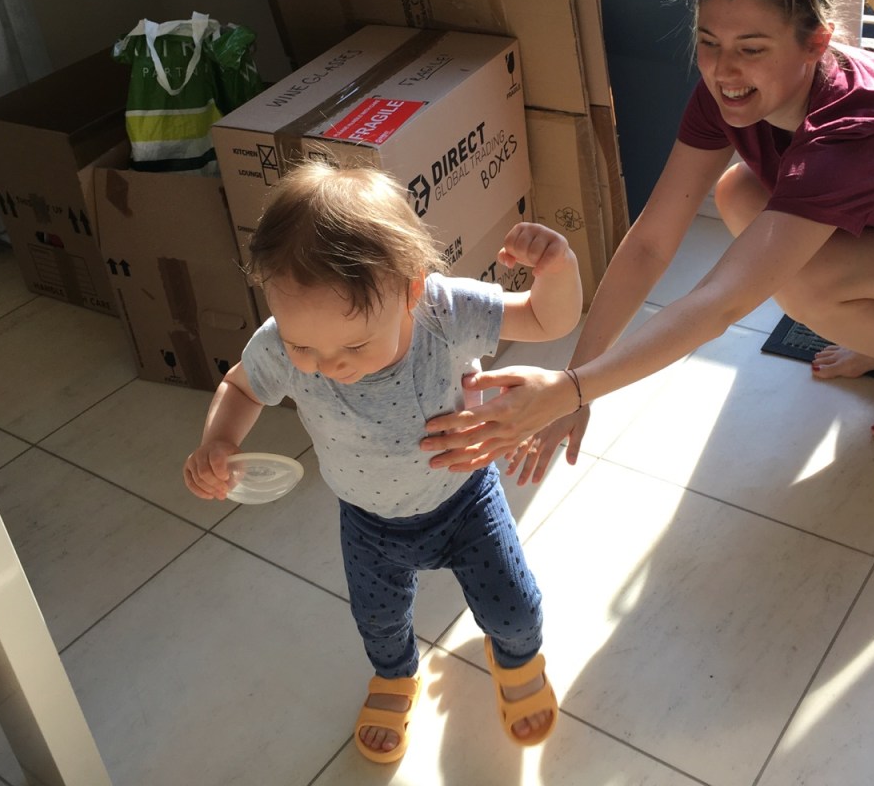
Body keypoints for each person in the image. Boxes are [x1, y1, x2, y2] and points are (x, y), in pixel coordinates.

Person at [420, 0, 874, 483]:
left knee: (810, 287)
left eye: (752, 48)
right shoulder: (731, 95)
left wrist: (573, 390)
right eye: (709, 42)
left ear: (816, 44)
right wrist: (576, 383)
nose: (723, 70)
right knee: (739, 193)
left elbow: (722, 302)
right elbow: (651, 242)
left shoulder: (850, 133)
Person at [183, 159, 581, 762]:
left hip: (464, 502)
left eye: (354, 344)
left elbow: (548, 317)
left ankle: (518, 657)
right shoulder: (284, 345)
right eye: (303, 345)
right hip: (368, 522)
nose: (329, 365)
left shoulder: (444, 313)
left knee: (515, 609)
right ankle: (395, 676)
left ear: (410, 289)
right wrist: (218, 440)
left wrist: (559, 269)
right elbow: (241, 385)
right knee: (378, 621)